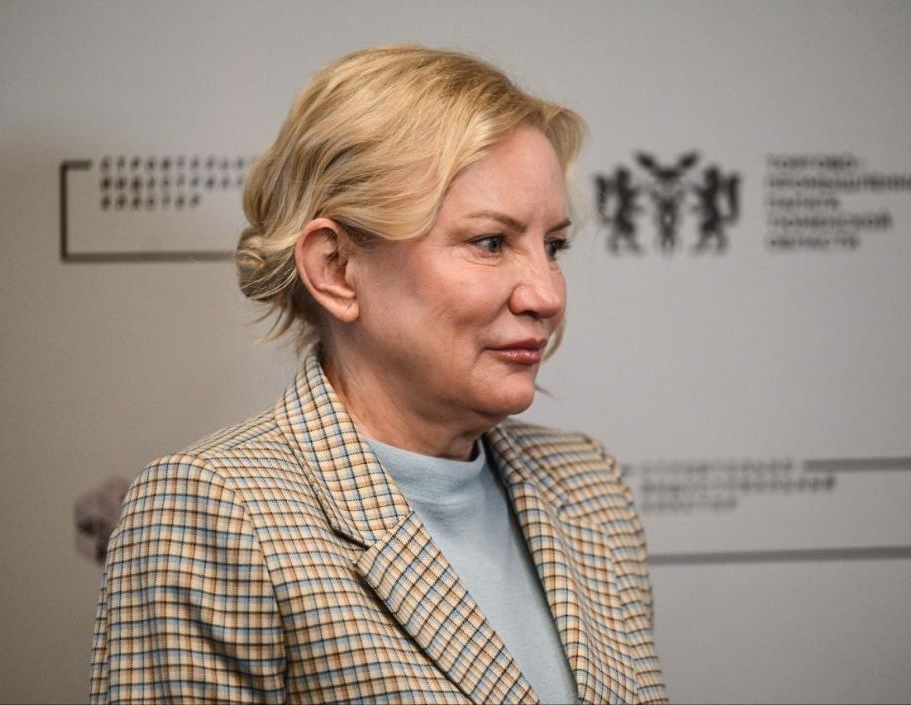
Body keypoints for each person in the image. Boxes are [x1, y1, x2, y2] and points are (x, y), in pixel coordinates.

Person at [90, 44, 667, 705]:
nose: (547, 294)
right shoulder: (217, 511)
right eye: (490, 242)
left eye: (553, 246)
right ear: (336, 269)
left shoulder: (589, 487)